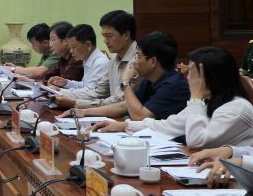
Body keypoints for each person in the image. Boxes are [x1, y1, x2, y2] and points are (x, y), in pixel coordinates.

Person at [94, 46, 253, 149]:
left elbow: (196, 141)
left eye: (192, 72)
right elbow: (169, 125)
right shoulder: (209, 100)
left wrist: (195, 98)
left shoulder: (237, 108)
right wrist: (125, 126)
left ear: (211, 76)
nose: (187, 77)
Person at [62, 31, 189, 120]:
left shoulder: (173, 85)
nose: (135, 62)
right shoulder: (150, 80)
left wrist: (125, 82)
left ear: (153, 61)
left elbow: (140, 117)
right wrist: (84, 112)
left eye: (138, 56)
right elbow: (124, 106)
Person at [51, 10, 137, 108]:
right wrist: (62, 91)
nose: (105, 41)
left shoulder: (138, 60)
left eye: (109, 36)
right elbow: (98, 92)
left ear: (126, 35)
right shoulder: (114, 60)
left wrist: (74, 103)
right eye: (104, 36)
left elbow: (119, 101)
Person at [47, 24, 109, 96]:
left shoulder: (100, 63)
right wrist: (66, 83)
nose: (71, 51)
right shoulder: (87, 59)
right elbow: (85, 85)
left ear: (88, 45)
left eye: (73, 47)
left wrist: (60, 91)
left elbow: (91, 93)